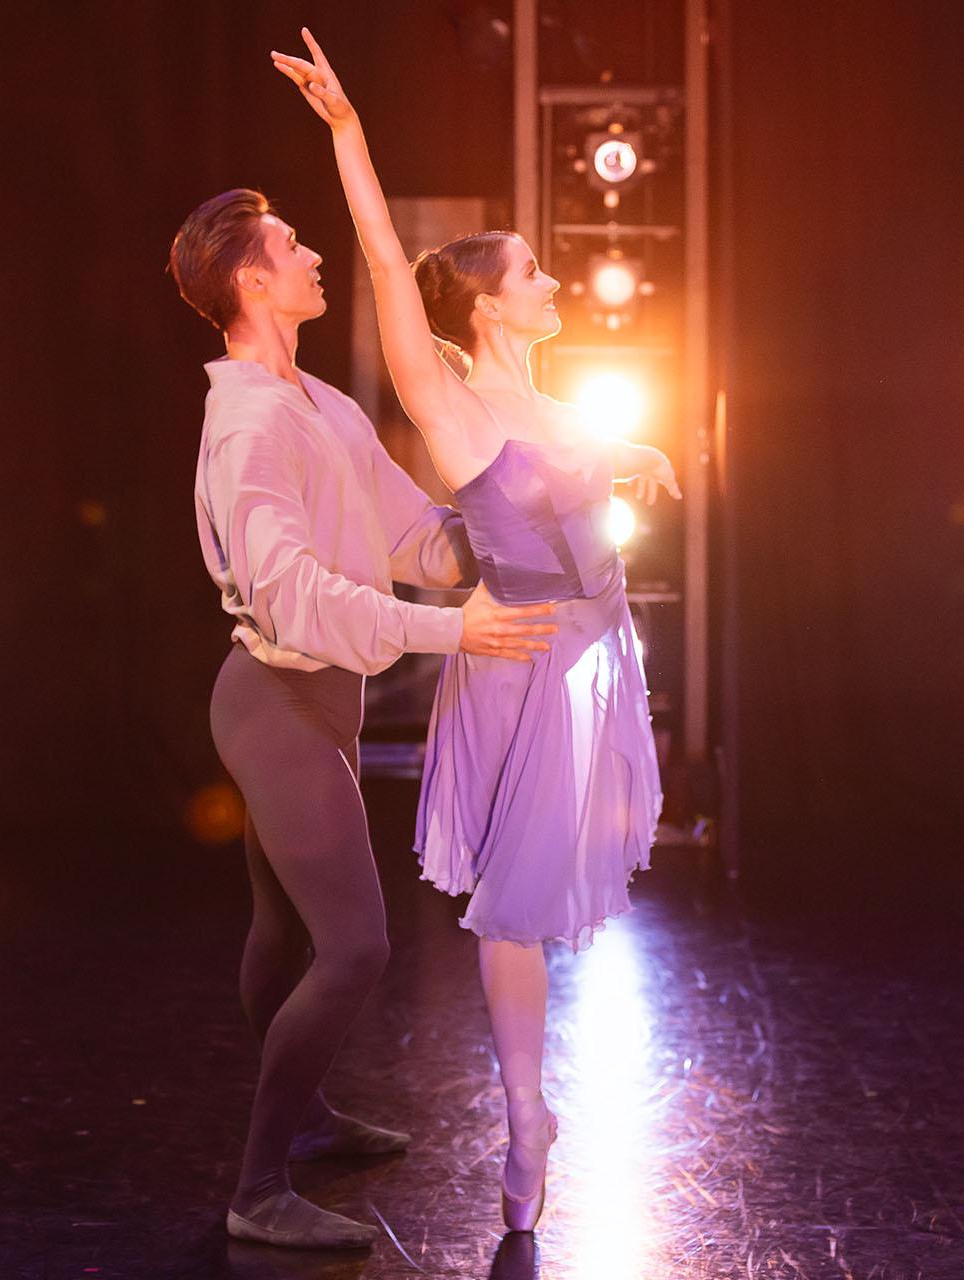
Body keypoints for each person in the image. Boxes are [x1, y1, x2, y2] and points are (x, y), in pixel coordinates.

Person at [272, 30, 678, 1233]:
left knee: (541, 900)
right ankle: (523, 1110)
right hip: (527, 661)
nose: (556, 283)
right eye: (537, 273)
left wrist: (640, 455)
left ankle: (526, 1107)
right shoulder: (447, 401)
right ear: (492, 300)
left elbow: (586, 459)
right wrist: (348, 134)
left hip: (603, 656)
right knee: (514, 908)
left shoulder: (555, 401)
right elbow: (392, 267)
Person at [170, 187, 560, 1249]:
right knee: (355, 946)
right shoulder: (247, 421)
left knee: (284, 927)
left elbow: (414, 539)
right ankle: (258, 1189)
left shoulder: (324, 408)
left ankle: (308, 1119)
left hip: (316, 698)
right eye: (291, 245)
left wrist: (508, 516)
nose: (311, 255)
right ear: (253, 280)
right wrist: (455, 634)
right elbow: (292, 594)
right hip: (275, 703)